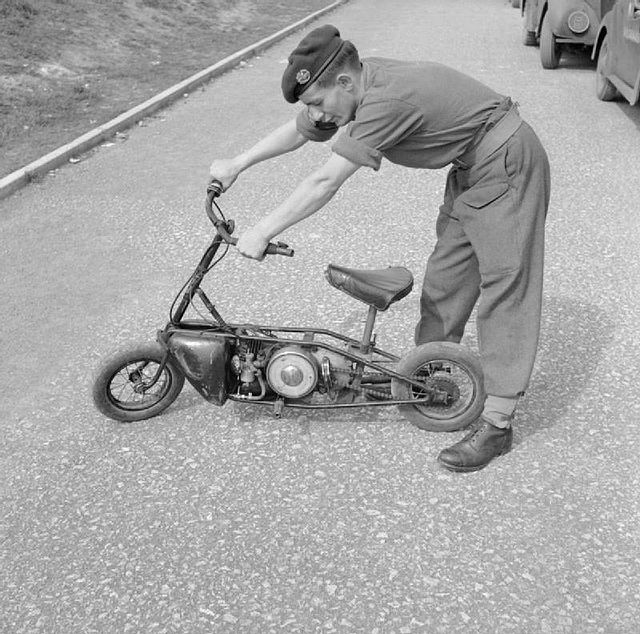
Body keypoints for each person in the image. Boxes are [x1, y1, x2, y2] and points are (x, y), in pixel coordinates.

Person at [208, 25, 550, 472]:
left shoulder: (385, 102)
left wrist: (262, 230)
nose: (317, 114)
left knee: (507, 286)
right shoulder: (355, 84)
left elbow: (325, 180)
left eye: (317, 102)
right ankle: (432, 376)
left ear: (345, 83)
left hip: (506, 161)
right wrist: (238, 163)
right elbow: (299, 130)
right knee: (447, 275)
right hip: (472, 168)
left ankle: (498, 425)